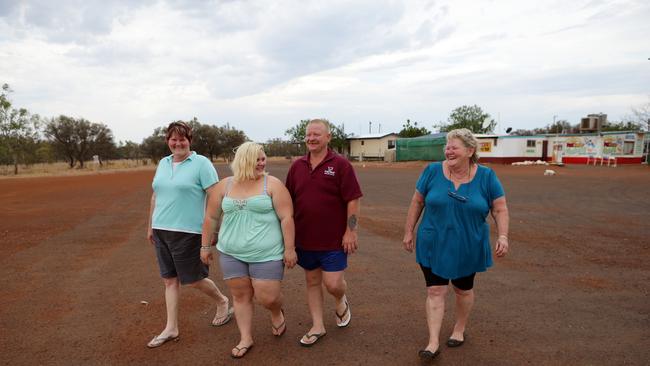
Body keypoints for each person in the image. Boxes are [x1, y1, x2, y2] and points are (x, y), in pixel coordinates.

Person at [402, 128, 510, 361]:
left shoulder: (487, 176)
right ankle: (432, 342)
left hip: (468, 244)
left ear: (470, 151)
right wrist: (408, 231)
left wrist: (503, 236)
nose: (448, 151)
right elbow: (417, 202)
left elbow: (499, 208)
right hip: (433, 241)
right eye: (447, 147)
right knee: (435, 289)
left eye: (454, 147)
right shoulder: (431, 171)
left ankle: (459, 328)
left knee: (463, 289)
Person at [201, 142, 297, 359]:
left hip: (267, 252)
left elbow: (286, 218)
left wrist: (289, 249)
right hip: (231, 251)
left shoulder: (272, 184)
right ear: (244, 161)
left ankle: (275, 311)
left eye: (263, 158)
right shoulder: (224, 186)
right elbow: (211, 217)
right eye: (257, 159)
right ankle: (245, 338)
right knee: (240, 295)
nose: (262, 163)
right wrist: (205, 246)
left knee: (268, 297)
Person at [146, 121, 232, 348]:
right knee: (169, 280)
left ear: (189, 141)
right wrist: (150, 225)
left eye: (182, 139)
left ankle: (222, 301)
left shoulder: (201, 163)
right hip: (161, 230)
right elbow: (156, 196)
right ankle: (171, 327)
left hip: (188, 232)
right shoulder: (163, 163)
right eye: (173, 139)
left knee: (193, 279)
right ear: (168, 141)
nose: (178, 143)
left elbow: (215, 198)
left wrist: (212, 230)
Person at [285, 119, 363, 347]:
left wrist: (351, 231)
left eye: (317, 134)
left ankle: (340, 299)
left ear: (328, 137)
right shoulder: (297, 166)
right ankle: (317, 326)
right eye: (308, 134)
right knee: (312, 281)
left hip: (334, 240)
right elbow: (287, 201)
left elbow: (353, 199)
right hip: (305, 238)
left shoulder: (340, 165)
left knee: (333, 283)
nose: (311, 138)